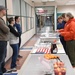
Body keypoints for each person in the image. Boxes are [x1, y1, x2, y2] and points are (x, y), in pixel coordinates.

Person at [0, 6, 10, 75]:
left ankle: (3, 70)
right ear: (2, 10)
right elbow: (6, 30)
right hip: (1, 41)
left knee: (3, 57)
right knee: (1, 58)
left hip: (3, 40)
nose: (6, 12)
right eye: (5, 10)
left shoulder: (1, 19)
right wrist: (7, 27)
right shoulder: (0, 20)